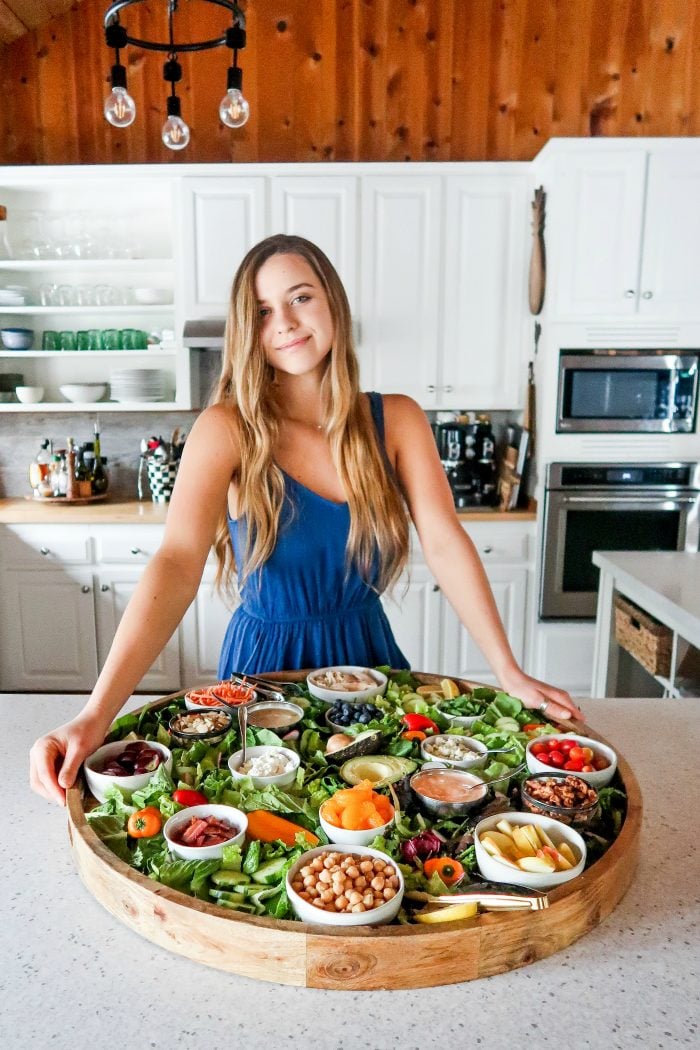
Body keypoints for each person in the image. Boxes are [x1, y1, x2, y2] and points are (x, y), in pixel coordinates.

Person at [30, 234, 582, 806]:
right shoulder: (227, 429)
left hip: (370, 666)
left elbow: (444, 542)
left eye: (301, 298)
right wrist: (96, 714)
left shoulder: (396, 420)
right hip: (261, 675)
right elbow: (174, 565)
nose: (286, 323)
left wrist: (509, 672)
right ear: (248, 329)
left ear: (333, 304)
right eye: (263, 311)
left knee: (382, 826)